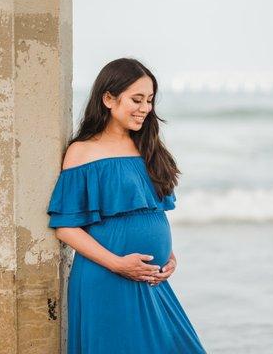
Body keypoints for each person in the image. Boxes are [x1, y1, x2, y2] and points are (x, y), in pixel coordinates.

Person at [47, 58, 207, 353]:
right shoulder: (82, 152)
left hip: (149, 279)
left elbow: (151, 211)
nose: (145, 108)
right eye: (136, 99)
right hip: (106, 277)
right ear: (108, 98)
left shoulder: (147, 147)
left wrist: (168, 254)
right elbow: (66, 227)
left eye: (149, 100)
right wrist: (119, 264)